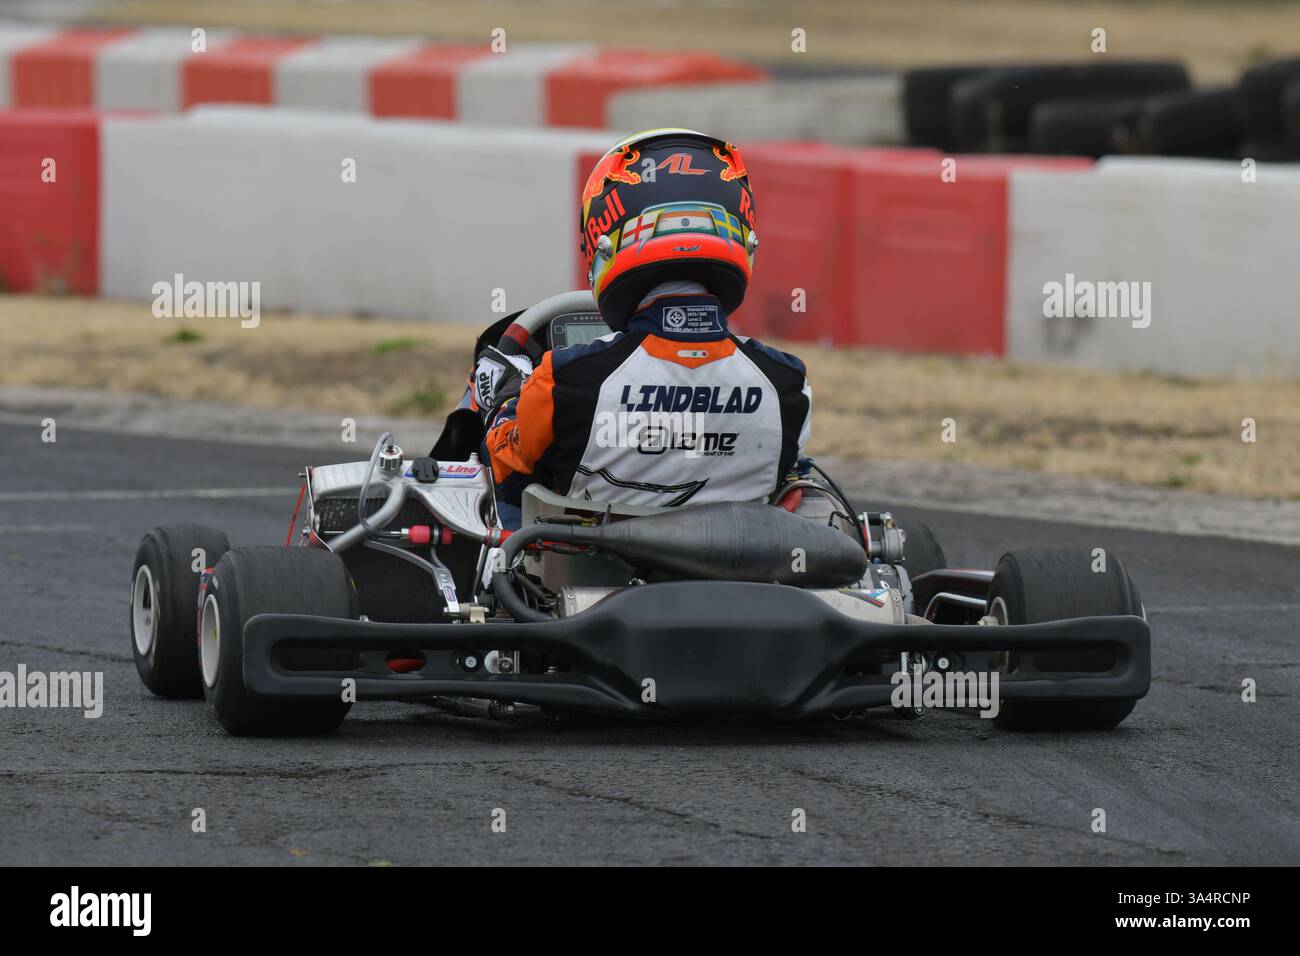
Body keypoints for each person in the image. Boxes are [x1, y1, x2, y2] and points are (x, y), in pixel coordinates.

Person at [478, 128, 812, 528]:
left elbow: (505, 469)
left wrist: (502, 402)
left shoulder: (564, 379)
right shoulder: (789, 386)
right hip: (738, 582)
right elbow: (788, 485)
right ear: (741, 232)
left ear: (605, 239)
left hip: (589, 581)